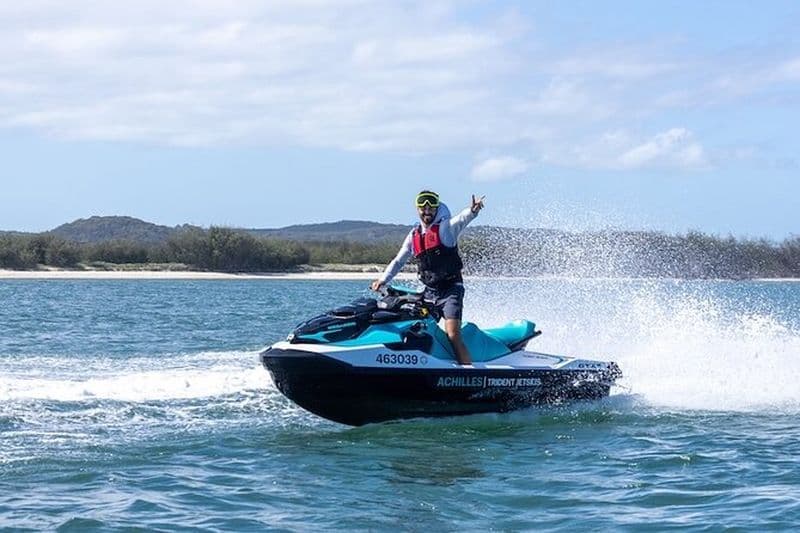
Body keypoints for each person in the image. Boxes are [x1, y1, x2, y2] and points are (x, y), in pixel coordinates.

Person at [371, 190, 485, 365]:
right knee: (413, 325)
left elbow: (462, 219)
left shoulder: (446, 229)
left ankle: (469, 371)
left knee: (452, 334)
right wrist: (383, 280)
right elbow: (399, 261)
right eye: (423, 208)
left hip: (451, 290)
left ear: (436, 208)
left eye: (431, 208)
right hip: (430, 292)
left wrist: (473, 210)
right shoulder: (414, 236)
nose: (427, 211)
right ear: (417, 209)